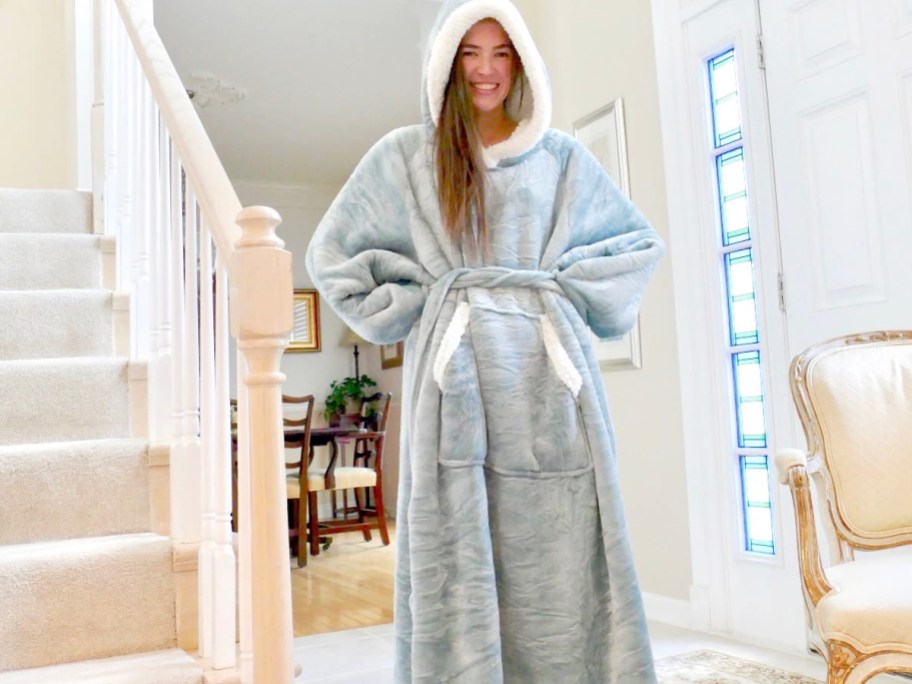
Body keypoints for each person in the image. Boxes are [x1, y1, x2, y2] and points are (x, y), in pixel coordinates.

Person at [305, 0, 664, 681]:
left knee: (559, 541)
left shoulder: (559, 157)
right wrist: (418, 303)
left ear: (522, 62)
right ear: (446, 64)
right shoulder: (406, 155)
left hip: (547, 377)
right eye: (470, 53)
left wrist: (558, 294)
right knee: (456, 546)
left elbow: (636, 244)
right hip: (455, 383)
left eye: (501, 53)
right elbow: (333, 255)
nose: (486, 70)